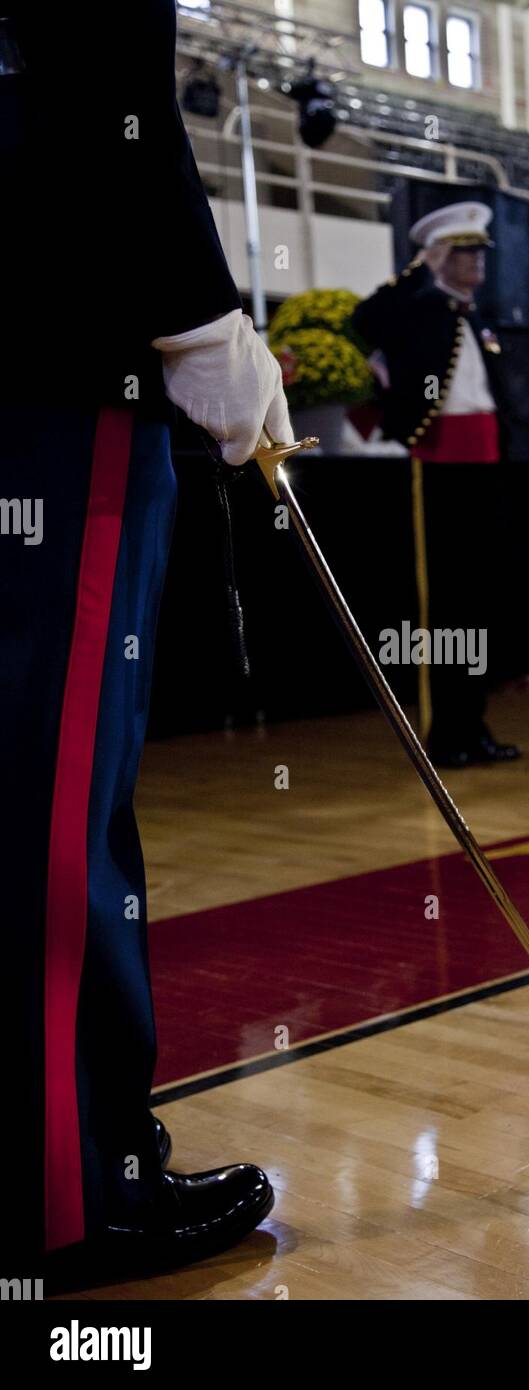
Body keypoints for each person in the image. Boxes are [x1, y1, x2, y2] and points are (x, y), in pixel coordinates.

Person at [0, 2, 291, 1282]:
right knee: (51, 809)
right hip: (52, 368)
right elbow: (99, 75)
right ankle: (77, 1193)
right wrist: (199, 317)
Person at [351, 201, 520, 767]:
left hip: (484, 465)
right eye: (464, 251)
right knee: (443, 605)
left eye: (479, 252)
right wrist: (421, 267)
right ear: (441, 256)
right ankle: (445, 733)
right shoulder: (416, 312)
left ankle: (473, 725)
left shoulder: (475, 318)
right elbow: (368, 319)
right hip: (438, 464)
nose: (477, 262)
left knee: (478, 603)